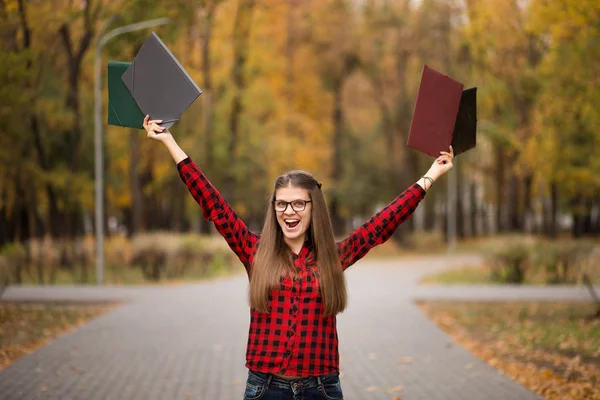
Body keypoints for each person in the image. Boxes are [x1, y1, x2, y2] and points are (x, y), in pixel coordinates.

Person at [143, 115, 454, 400]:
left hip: (321, 388)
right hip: (265, 388)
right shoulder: (255, 251)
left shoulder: (333, 257)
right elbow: (212, 204)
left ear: (313, 208)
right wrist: (170, 142)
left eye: (298, 204)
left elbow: (382, 224)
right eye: (281, 204)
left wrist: (430, 175)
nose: (288, 211)